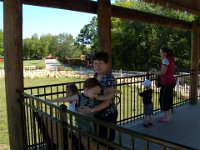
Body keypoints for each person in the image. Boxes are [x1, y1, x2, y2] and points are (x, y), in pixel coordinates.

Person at [51, 78, 120, 134]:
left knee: (91, 135)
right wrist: (52, 101)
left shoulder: (95, 97)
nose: (96, 95)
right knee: (84, 135)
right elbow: (65, 99)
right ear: (86, 89)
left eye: (97, 93)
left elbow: (105, 97)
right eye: (95, 93)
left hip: (90, 121)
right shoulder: (78, 97)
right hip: (81, 122)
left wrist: (114, 93)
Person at [90, 52, 118, 142]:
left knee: (106, 141)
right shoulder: (95, 76)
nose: (97, 66)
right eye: (95, 63)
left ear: (106, 64)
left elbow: (107, 102)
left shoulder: (109, 79)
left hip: (107, 115)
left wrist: (90, 110)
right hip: (96, 113)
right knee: (97, 139)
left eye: (100, 63)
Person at [152, 47, 176, 123]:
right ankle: (169, 116)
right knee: (168, 99)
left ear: (164, 53)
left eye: (161, 52)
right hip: (171, 82)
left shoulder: (165, 60)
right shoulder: (171, 58)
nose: (160, 54)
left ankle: (166, 117)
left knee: (163, 99)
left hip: (167, 83)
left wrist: (154, 72)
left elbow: (163, 72)